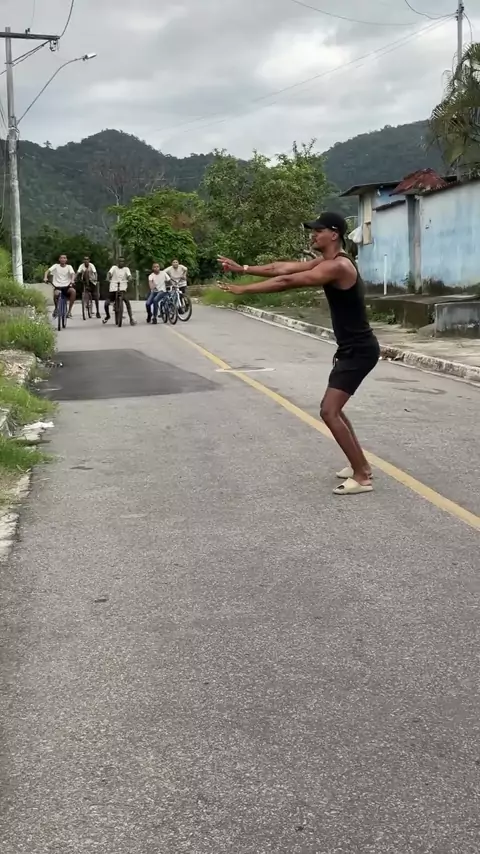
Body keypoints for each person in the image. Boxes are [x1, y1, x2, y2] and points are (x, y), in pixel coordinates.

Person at [218, 212, 380, 497]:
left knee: (329, 411)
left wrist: (243, 290)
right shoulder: (327, 261)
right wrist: (243, 268)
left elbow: (287, 281)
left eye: (318, 231)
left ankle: (362, 476)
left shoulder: (339, 266)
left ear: (334, 234)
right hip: (351, 348)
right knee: (335, 409)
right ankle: (360, 464)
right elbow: (281, 268)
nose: (312, 235)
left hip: (359, 350)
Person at [103, 258, 136, 325]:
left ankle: (131, 319)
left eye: (123, 261)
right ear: (117, 262)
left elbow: (129, 276)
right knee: (106, 303)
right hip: (113, 288)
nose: (121, 263)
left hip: (122, 288)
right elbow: (109, 273)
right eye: (120, 261)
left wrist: (130, 278)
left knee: (127, 302)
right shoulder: (114, 268)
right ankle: (108, 316)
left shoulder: (126, 269)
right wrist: (108, 277)